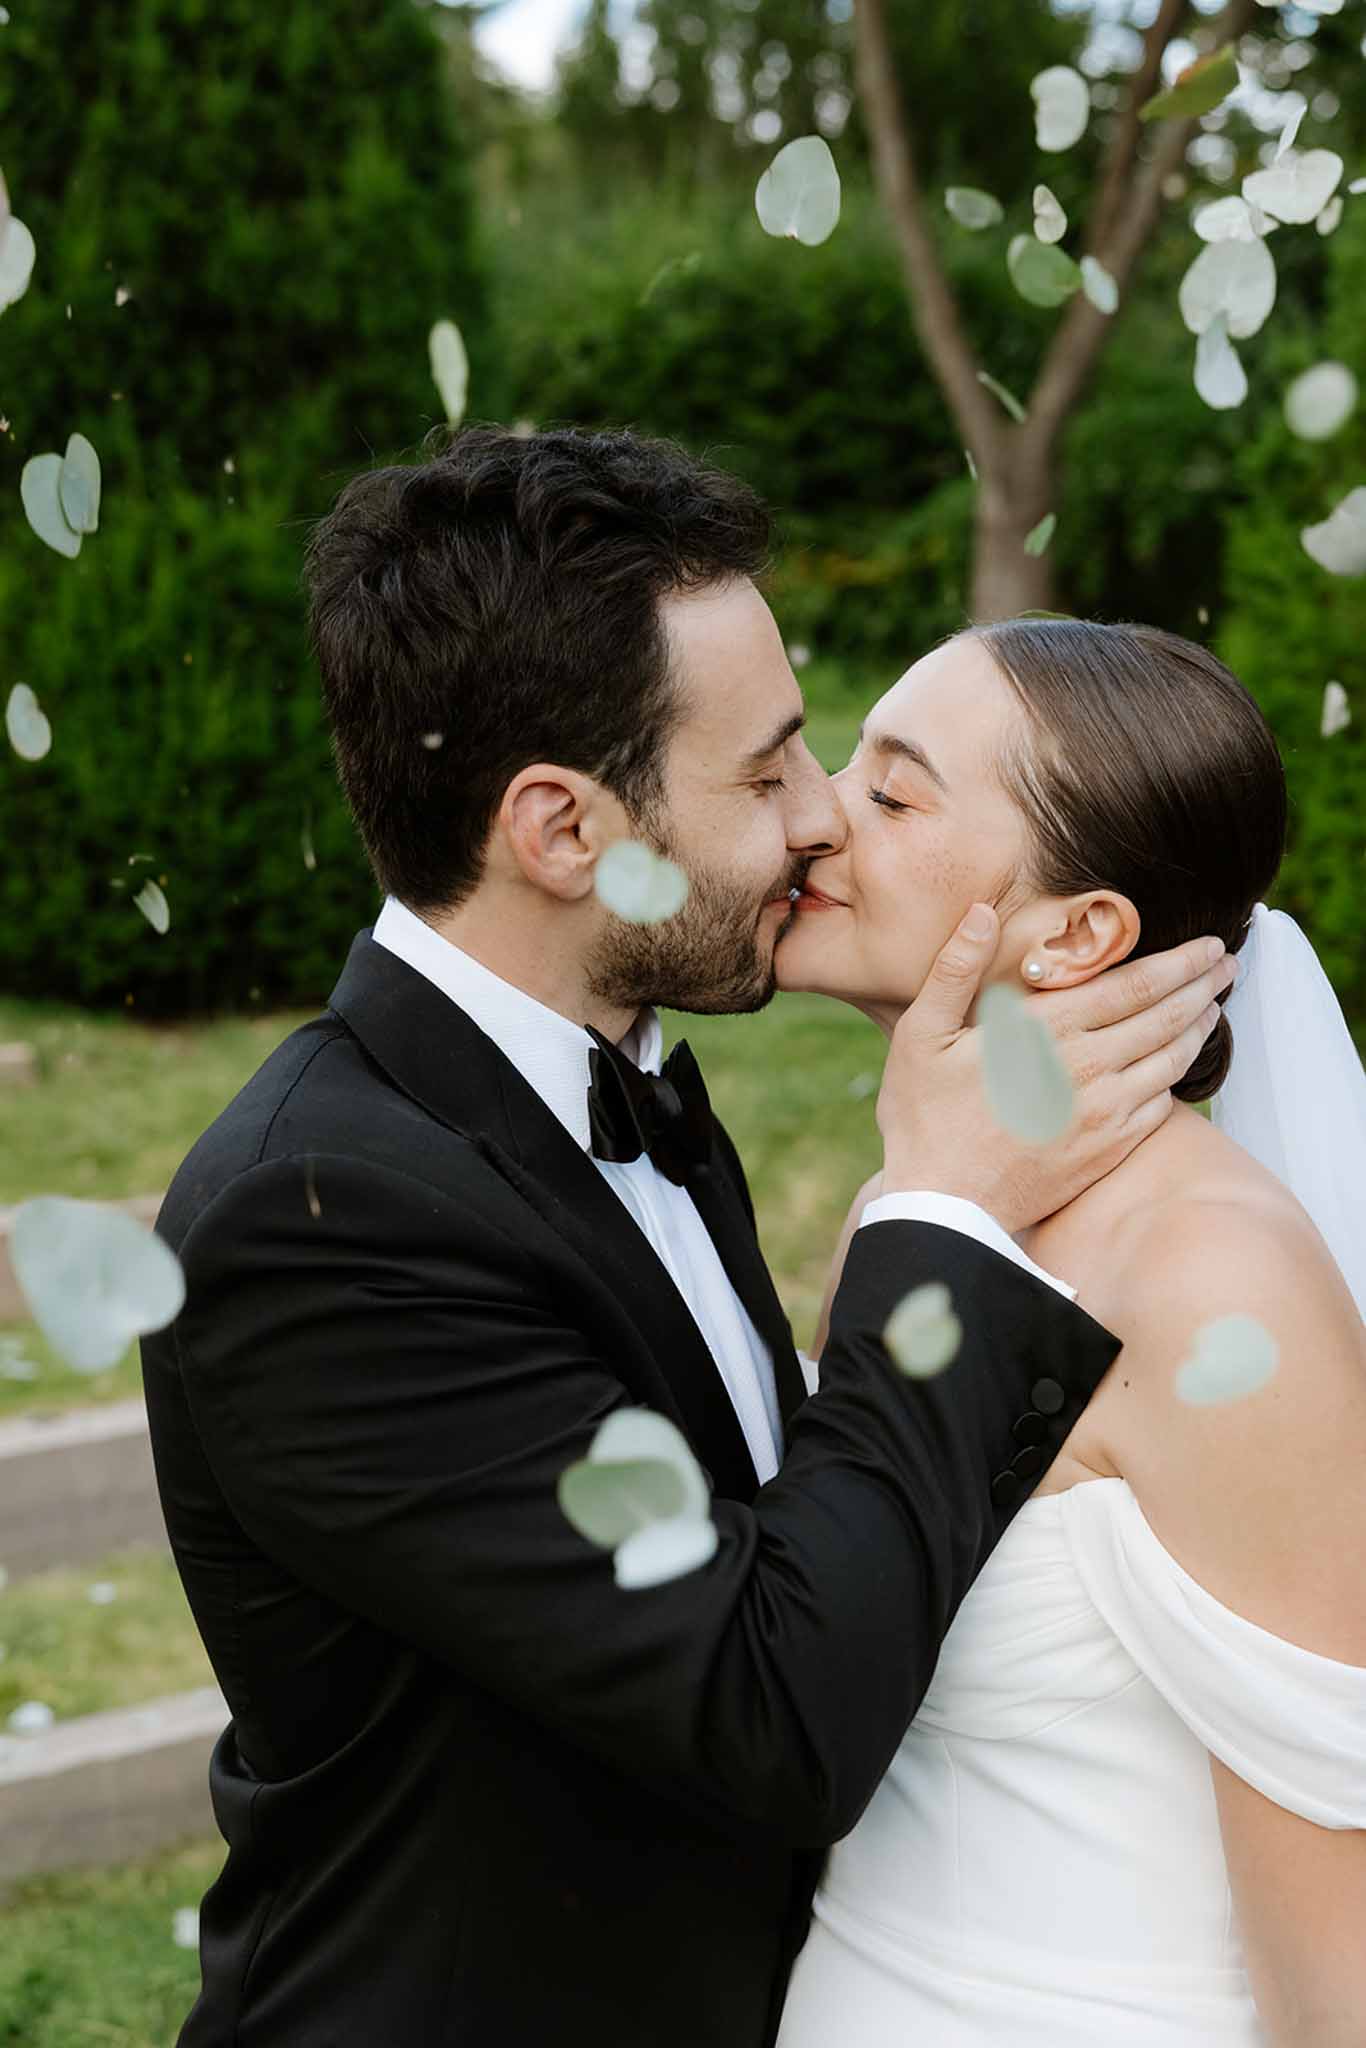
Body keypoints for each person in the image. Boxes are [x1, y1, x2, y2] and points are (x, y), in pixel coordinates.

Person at [140, 430, 1230, 2048]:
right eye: (767, 769)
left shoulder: (626, 1061)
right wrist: (939, 1214)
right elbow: (776, 1714)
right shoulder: (319, 1228)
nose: (816, 822)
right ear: (565, 832)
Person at [774, 618, 1366, 2048]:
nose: (813, 814)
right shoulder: (913, 1208)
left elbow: (1336, 1964)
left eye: (892, 792)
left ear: (1078, 935)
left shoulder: (1212, 1280)